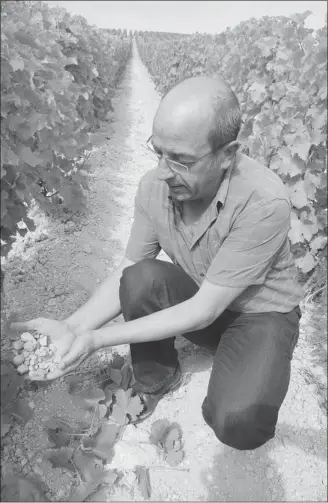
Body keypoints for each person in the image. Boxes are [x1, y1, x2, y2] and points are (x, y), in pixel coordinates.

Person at [12, 76, 304, 451]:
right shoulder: (156, 186)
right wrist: (72, 327)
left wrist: (96, 340)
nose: (165, 171)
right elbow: (128, 266)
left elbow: (203, 309)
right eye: (159, 152)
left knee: (238, 422)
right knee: (138, 278)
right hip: (206, 300)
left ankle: (254, 358)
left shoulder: (263, 201)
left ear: (227, 154)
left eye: (182, 160)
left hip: (259, 315)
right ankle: (157, 377)